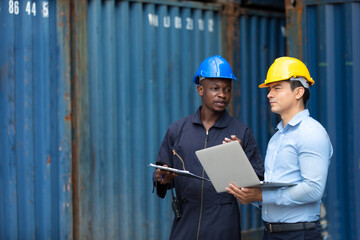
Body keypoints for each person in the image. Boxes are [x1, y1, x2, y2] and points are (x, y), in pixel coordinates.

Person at [153, 55, 264, 240]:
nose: (222, 94)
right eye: (215, 89)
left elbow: (258, 183)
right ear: (200, 90)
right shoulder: (177, 130)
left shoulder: (241, 133)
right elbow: (161, 175)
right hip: (185, 222)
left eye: (227, 89)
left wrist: (239, 157)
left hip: (223, 224)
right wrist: (162, 177)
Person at [226, 56, 333, 240]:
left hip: (300, 234)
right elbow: (271, 188)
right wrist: (243, 174)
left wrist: (261, 196)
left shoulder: (311, 132)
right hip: (271, 233)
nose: (269, 94)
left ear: (299, 92)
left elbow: (313, 189)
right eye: (269, 89)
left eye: (276, 88)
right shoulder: (277, 137)